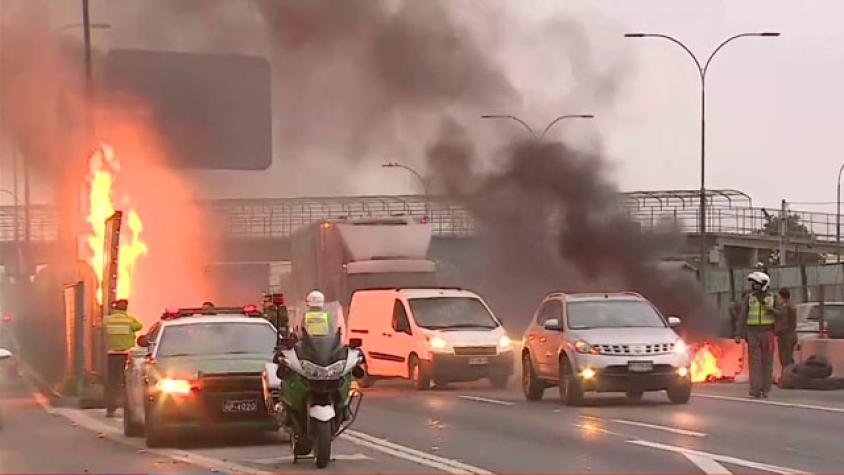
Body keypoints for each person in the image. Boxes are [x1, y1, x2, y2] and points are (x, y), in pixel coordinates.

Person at [734, 272, 783, 399]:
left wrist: (771, 310)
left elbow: (781, 314)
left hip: (768, 333)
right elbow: (743, 316)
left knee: (767, 361)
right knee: (754, 362)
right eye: (753, 284)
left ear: (764, 285)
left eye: (757, 284)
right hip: (752, 332)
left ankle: (765, 389)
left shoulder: (774, 297)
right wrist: (738, 333)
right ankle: (755, 389)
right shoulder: (749, 298)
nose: (754, 286)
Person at [103, 299, 143, 417]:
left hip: (112, 355)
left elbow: (102, 326)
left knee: (112, 383)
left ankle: (111, 409)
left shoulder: (108, 320)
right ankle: (128, 408)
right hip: (127, 355)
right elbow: (139, 326)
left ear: (115, 307)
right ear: (126, 308)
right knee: (128, 383)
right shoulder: (130, 320)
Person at [775, 288, 798, 373]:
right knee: (788, 357)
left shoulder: (785, 307)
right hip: (790, 334)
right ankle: (789, 375)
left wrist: (776, 331)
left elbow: (783, 322)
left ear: (781, 296)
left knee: (785, 358)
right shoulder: (791, 305)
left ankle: (788, 376)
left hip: (785, 335)